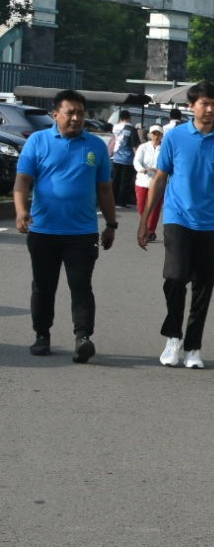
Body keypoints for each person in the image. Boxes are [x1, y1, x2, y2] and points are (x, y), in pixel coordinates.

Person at [137, 81, 214, 370]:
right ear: (191, 106)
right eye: (204, 104)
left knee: (203, 286)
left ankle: (193, 347)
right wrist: (145, 220)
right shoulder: (175, 138)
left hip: (212, 223)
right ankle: (173, 337)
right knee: (174, 278)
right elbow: (160, 177)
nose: (210, 109)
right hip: (178, 218)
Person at [13, 89, 118, 363]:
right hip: (44, 231)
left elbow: (105, 189)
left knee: (81, 285)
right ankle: (41, 335)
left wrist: (111, 224)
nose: (75, 118)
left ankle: (83, 337)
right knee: (43, 286)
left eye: (80, 113)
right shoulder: (37, 142)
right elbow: (23, 182)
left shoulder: (95, 146)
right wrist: (22, 211)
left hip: (82, 233)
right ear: (55, 114)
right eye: (70, 112)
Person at [133, 123, 164, 236]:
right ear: (150, 134)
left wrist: (160, 170)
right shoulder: (143, 147)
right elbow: (137, 161)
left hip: (157, 181)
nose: (156, 136)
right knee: (141, 205)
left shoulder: (164, 148)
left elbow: (167, 163)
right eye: (154, 133)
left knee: (155, 207)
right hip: (143, 181)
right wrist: (141, 169)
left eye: (159, 134)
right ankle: (144, 225)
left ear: (162, 135)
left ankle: (151, 230)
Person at [108, 109, 138, 208]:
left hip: (116, 157)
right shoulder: (132, 129)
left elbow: (113, 141)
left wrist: (110, 153)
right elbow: (134, 146)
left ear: (120, 118)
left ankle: (113, 199)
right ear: (129, 118)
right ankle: (121, 201)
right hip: (128, 159)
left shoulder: (115, 128)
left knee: (115, 180)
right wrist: (137, 158)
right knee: (125, 181)